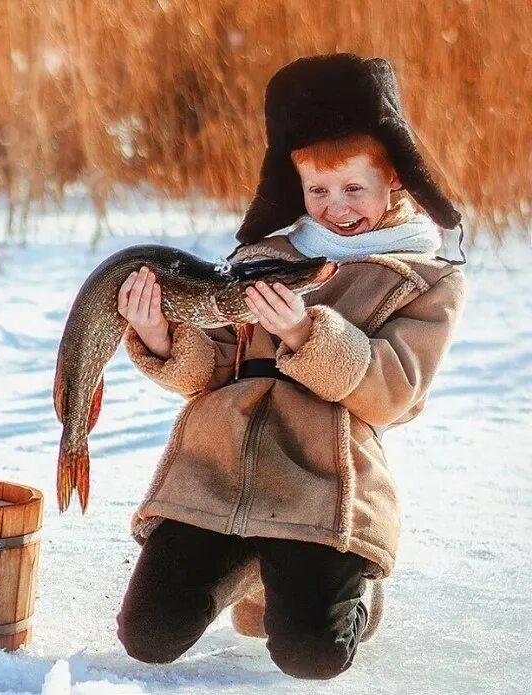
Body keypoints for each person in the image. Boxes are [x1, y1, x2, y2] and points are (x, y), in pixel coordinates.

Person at [113, 54, 467, 680]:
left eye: (354, 187)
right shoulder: (262, 256)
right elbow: (209, 371)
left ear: (397, 184)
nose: (336, 206)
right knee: (148, 636)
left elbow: (394, 393)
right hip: (216, 476)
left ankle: (350, 584)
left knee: (312, 656)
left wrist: (306, 334)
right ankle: (252, 571)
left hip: (322, 489)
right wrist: (160, 334)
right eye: (318, 190)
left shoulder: (426, 280)